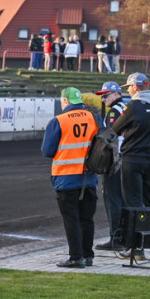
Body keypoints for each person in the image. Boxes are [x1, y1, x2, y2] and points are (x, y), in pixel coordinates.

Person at [41, 87, 100, 268]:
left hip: (66, 178)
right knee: (87, 218)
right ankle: (88, 255)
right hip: (88, 177)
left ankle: (75, 258)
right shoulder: (94, 118)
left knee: (71, 218)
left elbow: (47, 150)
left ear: (66, 102)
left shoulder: (57, 121)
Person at [110, 73, 150, 259]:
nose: (128, 91)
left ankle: (136, 249)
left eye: (129, 87)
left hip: (132, 160)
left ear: (136, 87)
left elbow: (114, 129)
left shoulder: (134, 106)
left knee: (134, 205)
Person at [93, 81, 129, 251]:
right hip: (128, 159)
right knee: (124, 199)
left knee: (112, 199)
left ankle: (116, 238)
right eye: (102, 96)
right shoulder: (127, 107)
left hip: (116, 161)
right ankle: (125, 237)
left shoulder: (115, 111)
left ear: (116, 94)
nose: (104, 98)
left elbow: (110, 138)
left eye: (106, 95)